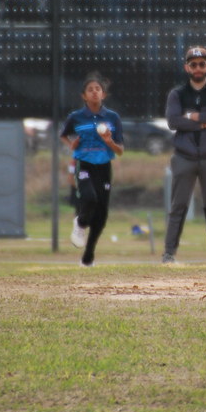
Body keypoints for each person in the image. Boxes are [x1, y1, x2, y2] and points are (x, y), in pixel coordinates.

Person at [162, 46, 206, 265]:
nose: (198, 68)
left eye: (202, 64)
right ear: (187, 67)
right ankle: (168, 255)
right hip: (184, 156)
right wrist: (205, 122)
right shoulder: (177, 94)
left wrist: (193, 117)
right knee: (178, 205)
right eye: (193, 64)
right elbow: (173, 121)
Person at [60, 73, 124, 267]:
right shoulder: (76, 117)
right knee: (90, 197)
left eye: (98, 89)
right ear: (84, 96)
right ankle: (80, 223)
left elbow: (120, 150)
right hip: (85, 164)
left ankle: (88, 256)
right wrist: (73, 144)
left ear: (103, 94)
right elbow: (64, 136)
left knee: (101, 213)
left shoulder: (112, 117)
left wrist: (109, 142)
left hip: (104, 167)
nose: (94, 92)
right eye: (90, 89)